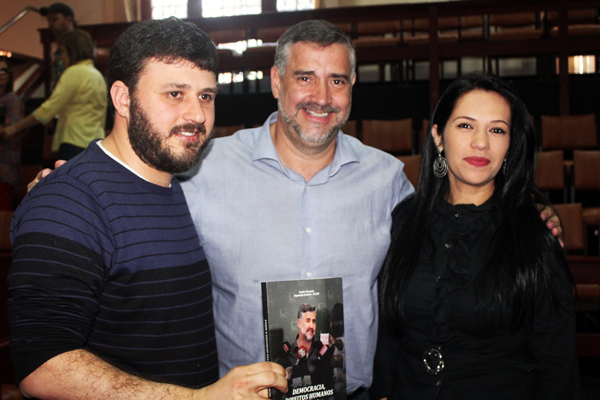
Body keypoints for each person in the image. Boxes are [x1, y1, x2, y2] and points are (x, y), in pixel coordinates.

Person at [7, 18, 286, 400]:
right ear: (123, 98)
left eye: (206, 96)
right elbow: (43, 364)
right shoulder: (68, 202)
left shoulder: (179, 184)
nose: (197, 115)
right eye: (175, 93)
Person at [180, 20, 414, 400]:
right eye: (305, 78)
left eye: (336, 81)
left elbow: (443, 243)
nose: (322, 97)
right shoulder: (204, 170)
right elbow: (133, 214)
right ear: (276, 82)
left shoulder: (386, 179)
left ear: (352, 84)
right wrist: (59, 189)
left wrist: (538, 215)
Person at [373, 73, 579, 399]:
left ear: (511, 144)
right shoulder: (405, 220)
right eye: (466, 125)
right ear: (439, 137)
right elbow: (390, 334)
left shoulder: (534, 234)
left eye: (497, 129)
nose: (481, 142)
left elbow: (557, 366)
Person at [0, 29, 107, 161]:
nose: (60, 57)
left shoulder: (74, 72)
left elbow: (47, 110)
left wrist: (13, 128)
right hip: (96, 143)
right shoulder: (97, 75)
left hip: (74, 143)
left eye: (61, 51)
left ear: (72, 50)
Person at [280, 304, 335, 395]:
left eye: (313, 321)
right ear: (299, 323)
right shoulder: (288, 353)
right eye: (308, 321)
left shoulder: (322, 349)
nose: (311, 326)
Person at [0, 56, 24, 209]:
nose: (0, 74)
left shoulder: (13, 100)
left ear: (9, 75)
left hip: (5, 167)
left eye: (3, 70)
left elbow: (10, 131)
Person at [39, 2, 75, 90]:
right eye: (49, 20)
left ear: (68, 20)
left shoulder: (78, 46)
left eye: (54, 19)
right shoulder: (58, 48)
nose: (51, 24)